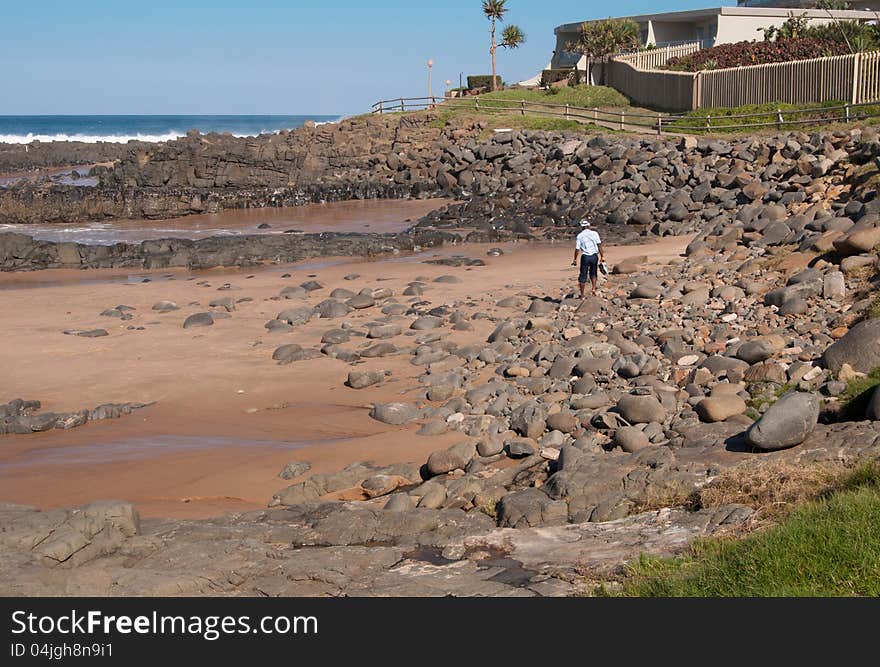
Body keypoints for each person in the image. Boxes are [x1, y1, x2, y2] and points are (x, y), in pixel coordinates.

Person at [571, 219, 604, 298]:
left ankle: (582, 295)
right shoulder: (595, 233)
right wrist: (602, 256)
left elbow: (577, 249)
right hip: (594, 256)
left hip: (585, 257)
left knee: (583, 275)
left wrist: (575, 259)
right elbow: (599, 245)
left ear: (582, 227)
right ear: (589, 226)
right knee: (593, 273)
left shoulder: (580, 236)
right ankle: (593, 288)